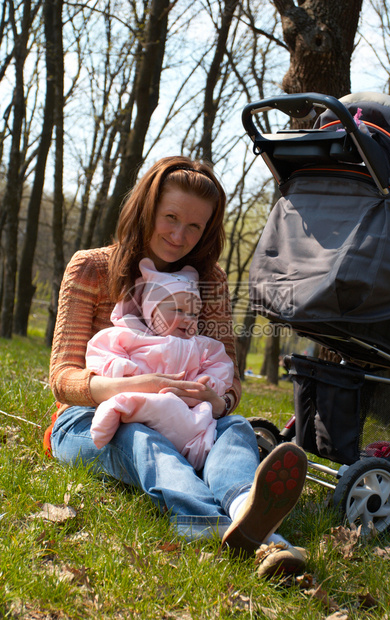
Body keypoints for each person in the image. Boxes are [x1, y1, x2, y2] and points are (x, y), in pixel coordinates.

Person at [45, 155, 308, 578]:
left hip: (189, 418)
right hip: (92, 420)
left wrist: (216, 400)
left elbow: (230, 381)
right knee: (140, 437)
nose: (178, 235)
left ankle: (246, 504)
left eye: (194, 226)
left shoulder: (211, 282)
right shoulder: (92, 267)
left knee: (236, 428)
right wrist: (138, 385)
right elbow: (62, 379)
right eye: (170, 217)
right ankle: (217, 527)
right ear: (146, 210)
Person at [85, 258, 234, 470]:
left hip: (186, 409)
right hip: (146, 401)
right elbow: (100, 349)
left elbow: (221, 362)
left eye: (193, 313)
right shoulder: (132, 334)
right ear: (151, 311)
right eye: (178, 310)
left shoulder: (199, 345)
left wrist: (211, 386)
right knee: (135, 402)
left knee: (209, 424)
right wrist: (121, 368)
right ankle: (113, 412)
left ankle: (205, 459)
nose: (187, 319)